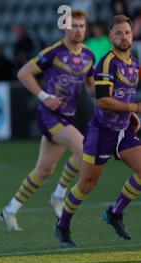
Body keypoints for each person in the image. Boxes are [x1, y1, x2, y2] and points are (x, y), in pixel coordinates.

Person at [0, 10, 95, 231]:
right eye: (74, 26)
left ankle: (10, 210)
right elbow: (24, 73)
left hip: (69, 116)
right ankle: (59, 194)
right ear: (65, 28)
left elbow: (90, 87)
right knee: (86, 148)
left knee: (43, 170)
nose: (79, 30)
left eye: (82, 26)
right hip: (50, 115)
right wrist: (44, 96)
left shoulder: (89, 55)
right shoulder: (54, 52)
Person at [56, 15, 141, 248]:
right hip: (101, 132)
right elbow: (103, 101)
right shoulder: (106, 63)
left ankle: (115, 213)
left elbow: (124, 93)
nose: (124, 37)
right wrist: (134, 108)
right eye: (118, 33)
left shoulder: (134, 63)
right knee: (87, 184)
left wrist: (131, 114)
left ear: (132, 35)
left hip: (124, 132)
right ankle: (62, 225)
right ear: (110, 36)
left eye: (127, 33)